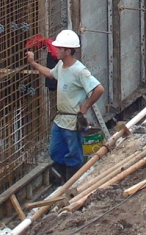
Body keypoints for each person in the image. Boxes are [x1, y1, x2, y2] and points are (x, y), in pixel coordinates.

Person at [25, 29, 104, 184]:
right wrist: (33, 63)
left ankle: (72, 184)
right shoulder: (61, 66)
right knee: (55, 151)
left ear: (68, 51)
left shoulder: (79, 70)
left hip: (72, 121)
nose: (56, 50)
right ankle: (62, 182)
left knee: (74, 155)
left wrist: (86, 106)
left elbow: (99, 89)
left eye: (59, 48)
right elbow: (50, 74)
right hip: (60, 119)